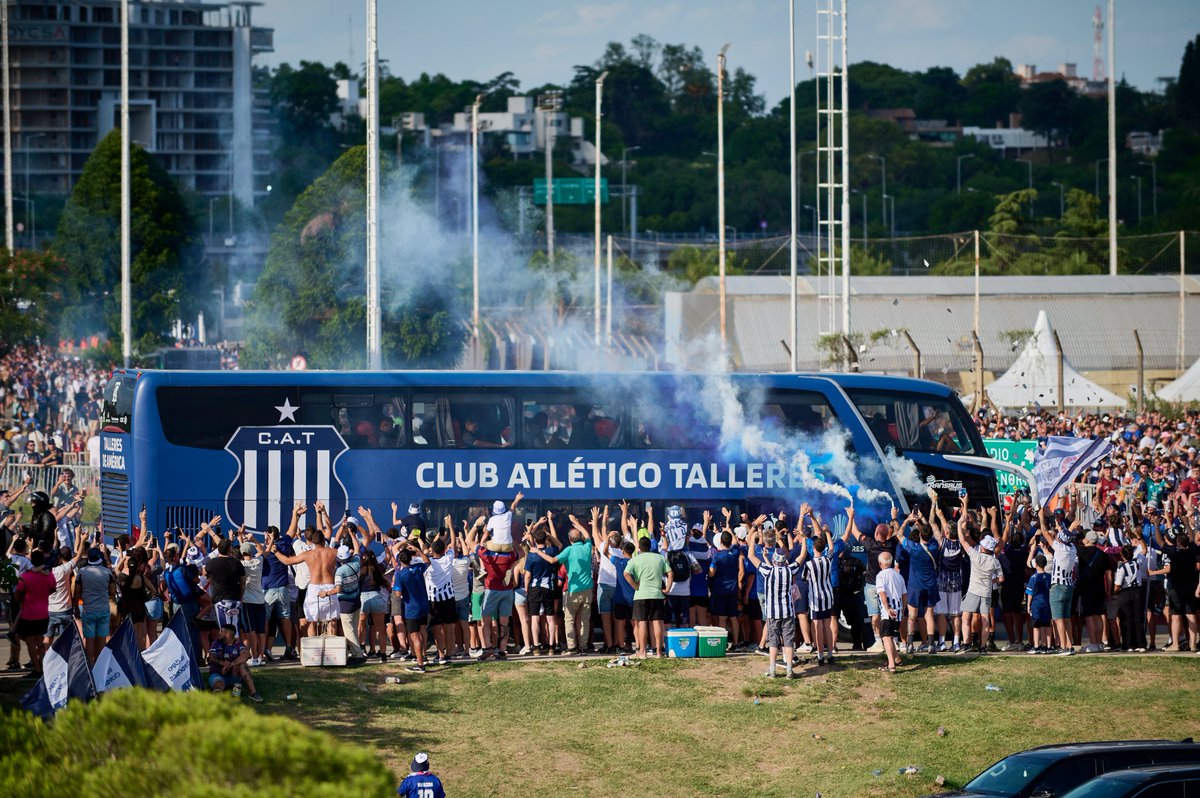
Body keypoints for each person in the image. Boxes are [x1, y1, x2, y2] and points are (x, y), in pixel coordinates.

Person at [530, 508, 597, 655]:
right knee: (584, 620)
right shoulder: (587, 547)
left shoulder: (568, 551)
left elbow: (553, 560)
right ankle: (583, 647)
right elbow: (587, 535)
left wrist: (538, 551)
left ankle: (572, 647)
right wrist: (577, 523)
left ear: (569, 539)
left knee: (569, 619)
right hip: (587, 590)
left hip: (573, 590)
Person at [271, 510, 339, 636]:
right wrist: (321, 512)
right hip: (330, 587)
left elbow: (287, 561)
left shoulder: (308, 554)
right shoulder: (333, 552)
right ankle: (331, 652)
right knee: (332, 621)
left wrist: (275, 551)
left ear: (313, 541)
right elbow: (329, 530)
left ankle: (313, 652)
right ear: (324, 541)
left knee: (311, 621)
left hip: (313, 589)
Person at [746, 528, 800, 679]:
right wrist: (802, 538)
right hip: (788, 612)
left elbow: (750, 555)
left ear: (774, 559)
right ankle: (789, 670)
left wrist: (755, 539)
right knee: (788, 641)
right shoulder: (790, 570)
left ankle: (772, 670)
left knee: (774, 641)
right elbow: (801, 556)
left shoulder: (768, 570)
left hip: (772, 612)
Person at [624, 536, 672, 658]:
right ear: (650, 547)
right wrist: (667, 588)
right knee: (657, 622)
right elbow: (670, 573)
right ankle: (659, 652)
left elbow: (626, 573)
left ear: (639, 547)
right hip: (657, 594)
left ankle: (643, 652)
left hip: (641, 594)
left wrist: (635, 586)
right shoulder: (660, 558)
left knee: (642, 623)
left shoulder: (635, 559)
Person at [14, 550, 56, 674]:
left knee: (31, 644)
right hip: (43, 613)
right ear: (43, 561)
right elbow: (53, 589)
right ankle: (43, 668)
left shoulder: (25, 577)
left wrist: (21, 599)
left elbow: (18, 594)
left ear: (31, 561)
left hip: (28, 615)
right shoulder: (49, 575)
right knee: (40, 642)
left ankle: (37, 669)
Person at [393, 539, 430, 672]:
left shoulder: (400, 575)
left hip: (412, 609)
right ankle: (423, 656)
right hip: (424, 606)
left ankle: (420, 664)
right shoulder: (418, 568)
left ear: (399, 561)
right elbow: (427, 562)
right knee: (422, 631)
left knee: (415, 637)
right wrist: (418, 550)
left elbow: (397, 594)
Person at [74, 545, 116, 664]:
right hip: (103, 609)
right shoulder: (107, 572)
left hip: (88, 610)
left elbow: (76, 592)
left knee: (90, 639)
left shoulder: (82, 572)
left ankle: (90, 664)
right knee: (102, 638)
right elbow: (112, 592)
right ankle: (100, 665)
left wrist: (76, 607)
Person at [208, 623, 262, 702]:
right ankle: (222, 695)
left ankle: (253, 693)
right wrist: (223, 663)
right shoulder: (217, 643)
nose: (219, 633)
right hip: (218, 674)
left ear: (228, 634)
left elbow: (245, 655)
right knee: (219, 686)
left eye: (222, 632)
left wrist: (231, 664)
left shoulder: (238, 643)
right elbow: (211, 658)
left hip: (233, 674)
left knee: (242, 665)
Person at [205, 536, 246, 632]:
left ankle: (227, 647)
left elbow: (204, 573)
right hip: (235, 599)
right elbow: (243, 582)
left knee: (223, 630)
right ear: (229, 549)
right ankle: (236, 646)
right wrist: (241, 596)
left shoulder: (212, 563)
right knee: (234, 629)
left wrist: (211, 580)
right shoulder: (237, 563)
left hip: (220, 601)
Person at [875, 551, 906, 673]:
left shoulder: (881, 576)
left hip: (888, 610)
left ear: (880, 563)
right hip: (898, 609)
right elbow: (904, 594)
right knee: (892, 637)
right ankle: (897, 659)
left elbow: (882, 592)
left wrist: (887, 608)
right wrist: (902, 610)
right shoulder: (898, 575)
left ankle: (891, 664)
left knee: (886, 637)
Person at [1113, 544, 1146, 652]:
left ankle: (1128, 644)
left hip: (1125, 592)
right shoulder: (1137, 562)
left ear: (1122, 555)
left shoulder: (1121, 567)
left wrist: (1114, 592)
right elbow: (1144, 551)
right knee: (1138, 618)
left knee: (1126, 619)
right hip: (1138, 591)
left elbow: (1117, 585)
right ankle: (1141, 644)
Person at [1024, 553, 1053, 653]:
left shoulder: (1033, 578)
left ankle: (1036, 646)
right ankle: (1048, 646)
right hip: (1047, 604)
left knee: (1036, 627)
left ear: (1035, 564)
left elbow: (1030, 593)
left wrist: (1028, 605)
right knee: (1046, 626)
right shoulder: (1049, 576)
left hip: (1036, 605)